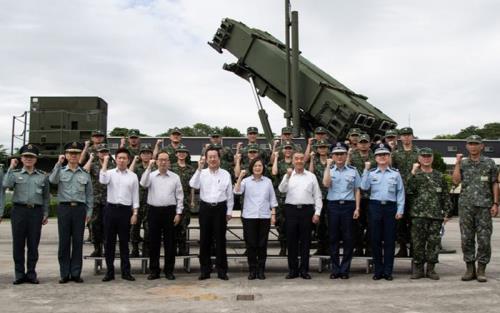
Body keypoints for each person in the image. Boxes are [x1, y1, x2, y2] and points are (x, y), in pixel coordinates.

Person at [452, 135, 498, 282]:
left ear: (481, 146)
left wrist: (496, 203)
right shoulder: (463, 164)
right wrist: (457, 163)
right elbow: (456, 180)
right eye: (470, 144)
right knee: (466, 239)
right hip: (466, 206)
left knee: (484, 240)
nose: (473, 146)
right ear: (466, 146)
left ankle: (481, 269)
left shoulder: (490, 163)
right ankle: (470, 268)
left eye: (476, 144)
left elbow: (495, 184)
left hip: (484, 207)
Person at [2, 144, 50, 284]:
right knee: (18, 244)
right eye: (26, 156)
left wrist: (46, 212)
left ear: (36, 159)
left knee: (33, 244)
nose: (28, 159)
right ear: (21, 158)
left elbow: (46, 197)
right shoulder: (15, 174)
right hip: (19, 211)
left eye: (31, 157)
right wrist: (11, 167)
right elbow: (5, 184)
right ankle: (19, 274)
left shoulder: (42, 176)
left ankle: (31, 273)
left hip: (36, 212)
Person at [49, 142, 93, 284]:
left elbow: (89, 195)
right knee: (64, 242)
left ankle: (75, 273)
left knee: (78, 242)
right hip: (64, 209)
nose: (73, 155)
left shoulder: (85, 174)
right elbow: (52, 180)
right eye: (70, 153)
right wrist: (58, 163)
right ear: (66, 155)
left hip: (79, 210)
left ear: (80, 155)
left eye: (76, 153)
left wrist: (89, 212)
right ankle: (64, 273)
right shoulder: (60, 171)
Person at [361, 143, 404, 281]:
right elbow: (363, 186)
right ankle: (378, 270)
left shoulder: (395, 174)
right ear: (375, 157)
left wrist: (400, 209)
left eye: (384, 154)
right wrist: (366, 170)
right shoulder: (372, 172)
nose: (382, 157)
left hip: (390, 208)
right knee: (376, 240)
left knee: (390, 241)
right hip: (375, 207)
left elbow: (400, 192)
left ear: (389, 156)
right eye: (379, 155)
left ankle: (388, 271)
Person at [407, 148, 452, 280]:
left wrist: (447, 213)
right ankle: (418, 269)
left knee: (434, 243)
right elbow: (408, 190)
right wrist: (413, 172)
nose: (426, 158)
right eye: (423, 156)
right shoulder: (415, 175)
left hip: (436, 216)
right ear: (419, 159)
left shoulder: (439, 176)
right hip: (418, 215)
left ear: (432, 158)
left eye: (428, 156)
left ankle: (431, 269)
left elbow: (445, 196)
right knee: (418, 243)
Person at [189, 146, 234, 280]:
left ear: (219, 158)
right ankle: (205, 270)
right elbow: (193, 184)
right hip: (205, 209)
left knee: (220, 240)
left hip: (220, 209)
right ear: (206, 159)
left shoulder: (225, 173)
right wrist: (199, 168)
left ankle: (222, 270)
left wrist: (230, 211)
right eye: (210, 157)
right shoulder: (201, 173)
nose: (213, 159)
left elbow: (229, 194)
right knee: (204, 240)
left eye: (215, 157)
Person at [278, 152, 322, 279]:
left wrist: (317, 213)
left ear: (305, 161)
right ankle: (292, 270)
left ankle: (304, 270)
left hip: (306, 211)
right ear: (292, 161)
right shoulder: (288, 176)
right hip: (291, 211)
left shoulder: (311, 176)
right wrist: (287, 176)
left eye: (301, 159)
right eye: (296, 158)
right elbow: (281, 189)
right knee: (291, 242)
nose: (299, 161)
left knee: (305, 242)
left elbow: (317, 195)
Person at [140, 151, 183, 280]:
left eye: (166, 160)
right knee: (154, 243)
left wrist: (178, 212)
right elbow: (143, 183)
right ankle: (154, 271)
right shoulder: (151, 175)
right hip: (154, 211)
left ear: (169, 162)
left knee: (170, 243)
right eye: (161, 160)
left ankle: (169, 271)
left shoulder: (175, 177)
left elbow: (180, 196)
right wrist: (148, 167)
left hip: (170, 211)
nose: (163, 162)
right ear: (157, 161)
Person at [234, 158, 278, 280]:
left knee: (262, 245)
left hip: (264, 216)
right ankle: (252, 270)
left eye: (260, 165)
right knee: (251, 244)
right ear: (251, 168)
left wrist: (273, 214)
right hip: (249, 217)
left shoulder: (268, 181)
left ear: (263, 167)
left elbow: (272, 199)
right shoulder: (246, 181)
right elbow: (237, 192)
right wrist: (240, 177)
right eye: (255, 166)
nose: (258, 168)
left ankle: (261, 270)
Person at [99, 148, 139, 282]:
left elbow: (135, 196)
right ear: (116, 159)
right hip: (111, 210)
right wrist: (105, 162)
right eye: (119, 158)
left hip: (125, 211)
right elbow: (102, 180)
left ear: (128, 160)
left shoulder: (132, 176)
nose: (122, 160)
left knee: (124, 242)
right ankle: (109, 272)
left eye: (124, 158)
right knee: (109, 242)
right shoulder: (109, 173)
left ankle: (126, 272)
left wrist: (135, 213)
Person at [322, 142, 361, 279]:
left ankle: (344, 269)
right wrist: (327, 166)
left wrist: (357, 207)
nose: (339, 156)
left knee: (348, 238)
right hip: (333, 206)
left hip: (348, 206)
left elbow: (357, 190)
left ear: (346, 155)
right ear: (332, 156)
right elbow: (326, 184)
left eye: (342, 154)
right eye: (336, 154)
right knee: (333, 238)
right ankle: (335, 269)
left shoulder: (353, 170)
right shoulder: (329, 170)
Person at [391, 127, 419, 257]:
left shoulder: (418, 153)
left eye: (409, 135)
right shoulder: (396, 154)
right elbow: (391, 171)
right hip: (400, 192)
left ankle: (414, 248)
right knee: (400, 222)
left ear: (412, 137)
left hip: (415, 192)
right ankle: (402, 248)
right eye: (404, 135)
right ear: (400, 138)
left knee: (414, 222)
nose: (406, 137)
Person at [83, 143, 113, 257]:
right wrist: (90, 158)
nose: (103, 154)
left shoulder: (112, 165)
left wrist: (106, 161)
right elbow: (85, 170)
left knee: (107, 225)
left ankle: (106, 248)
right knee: (95, 225)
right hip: (95, 199)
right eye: (101, 152)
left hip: (108, 199)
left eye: (105, 151)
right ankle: (97, 248)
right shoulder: (94, 163)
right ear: (97, 153)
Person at [348, 133, 375, 256]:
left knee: (371, 223)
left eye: (365, 142)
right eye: (361, 142)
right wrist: (348, 155)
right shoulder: (352, 156)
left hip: (371, 195)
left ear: (369, 144)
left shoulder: (375, 157)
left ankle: (369, 247)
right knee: (356, 224)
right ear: (357, 144)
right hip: (356, 195)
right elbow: (347, 168)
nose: (363, 145)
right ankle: (358, 247)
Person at [170, 144, 196, 256]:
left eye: (184, 152)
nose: (181, 154)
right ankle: (172, 248)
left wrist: (192, 200)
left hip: (185, 198)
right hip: (172, 198)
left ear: (186, 155)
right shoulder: (171, 167)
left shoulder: (191, 169)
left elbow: (192, 187)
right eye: (179, 152)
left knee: (184, 225)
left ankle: (182, 248)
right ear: (176, 154)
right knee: (172, 224)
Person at [128, 144, 154, 257]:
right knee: (135, 227)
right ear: (140, 155)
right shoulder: (137, 168)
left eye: (148, 153)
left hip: (150, 202)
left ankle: (146, 248)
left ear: (152, 155)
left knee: (149, 228)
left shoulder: (155, 168)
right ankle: (134, 249)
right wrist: (134, 160)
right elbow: (129, 173)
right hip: (137, 202)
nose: (146, 155)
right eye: (143, 153)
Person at [271, 141, 295, 256]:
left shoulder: (296, 164)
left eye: (290, 148)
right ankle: (283, 246)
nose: (288, 150)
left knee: (292, 222)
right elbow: (274, 172)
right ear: (283, 151)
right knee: (280, 223)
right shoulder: (280, 163)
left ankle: (291, 246)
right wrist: (275, 157)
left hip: (293, 196)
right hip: (281, 197)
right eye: (286, 148)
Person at [308, 140, 331, 255]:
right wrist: (311, 159)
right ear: (317, 149)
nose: (322, 149)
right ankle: (321, 247)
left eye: (324, 147)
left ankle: (329, 247)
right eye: (320, 147)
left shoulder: (331, 160)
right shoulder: (315, 160)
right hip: (318, 196)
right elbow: (311, 174)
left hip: (331, 195)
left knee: (329, 222)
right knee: (319, 224)